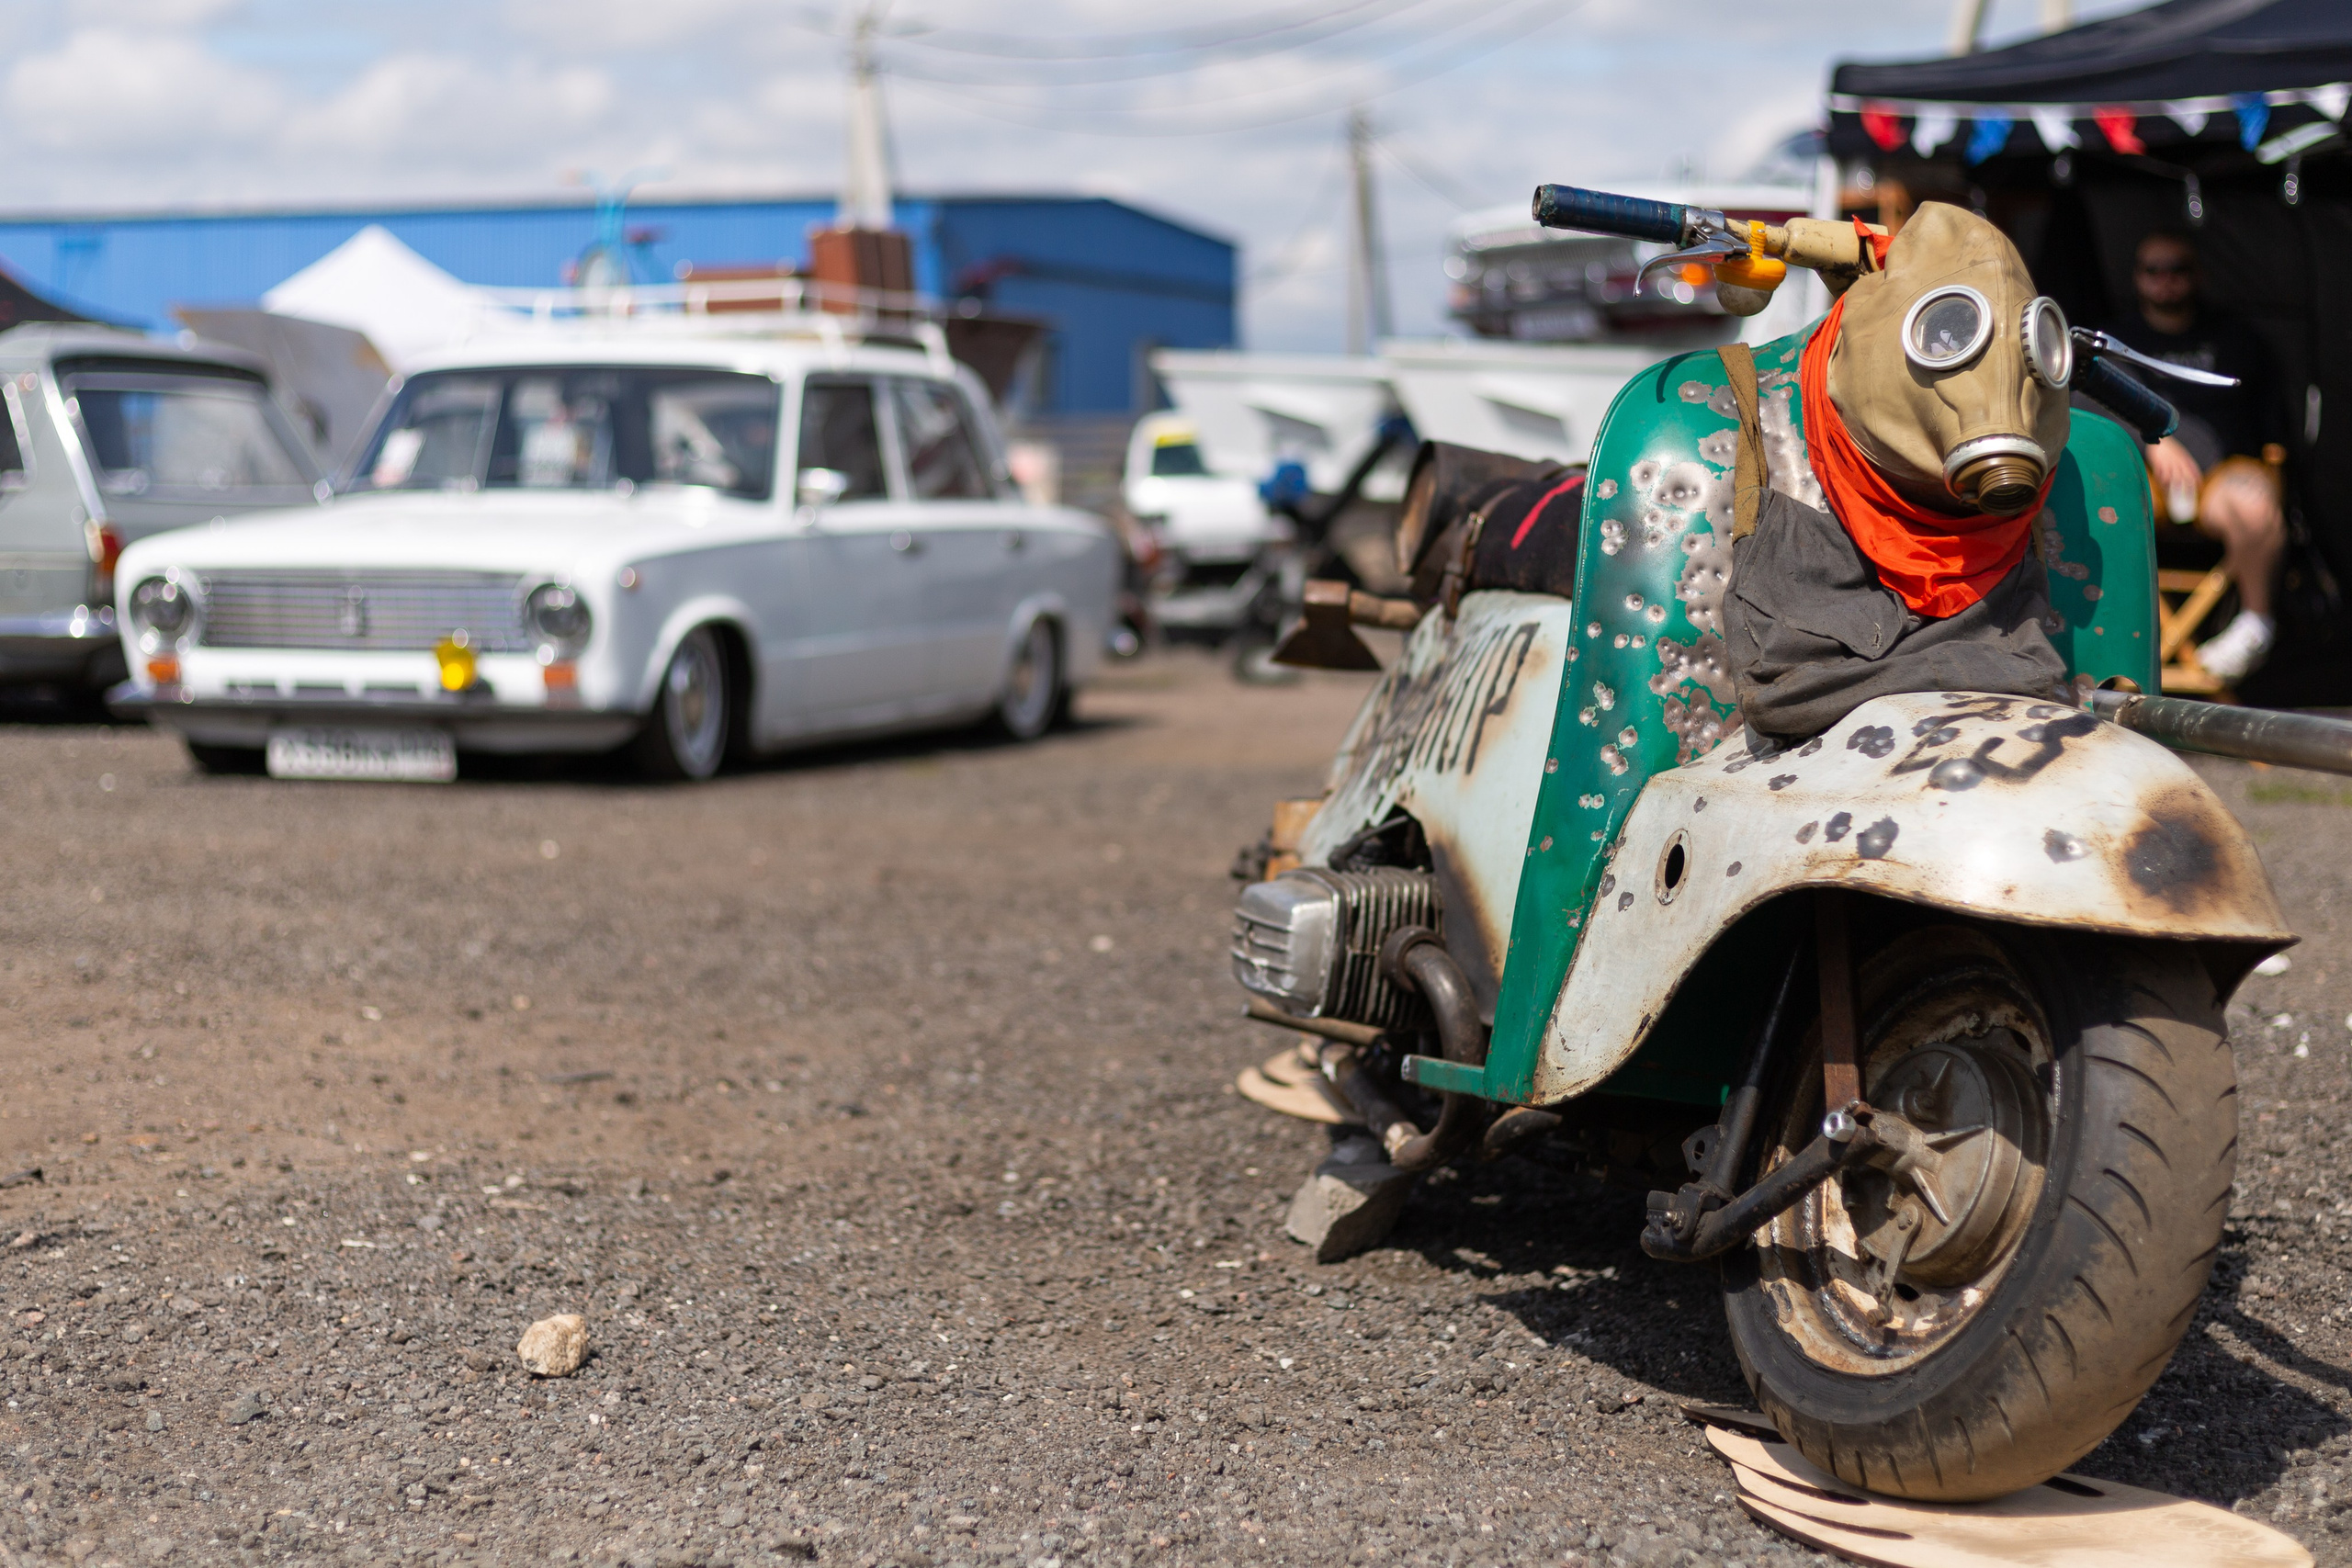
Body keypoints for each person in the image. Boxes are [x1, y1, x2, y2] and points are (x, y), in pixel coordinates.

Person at [2102, 231, 2288, 682]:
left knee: (2255, 502)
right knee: (2084, 498)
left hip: (2218, 481)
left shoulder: (2237, 339)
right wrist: (2152, 438)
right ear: (2136, 278)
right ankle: (2105, 639)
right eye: (2153, 270)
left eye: (2177, 269)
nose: (2165, 280)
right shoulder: (2117, 340)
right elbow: (2089, 403)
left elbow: (2272, 422)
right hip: (2142, 483)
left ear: (2198, 274)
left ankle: (2255, 625)